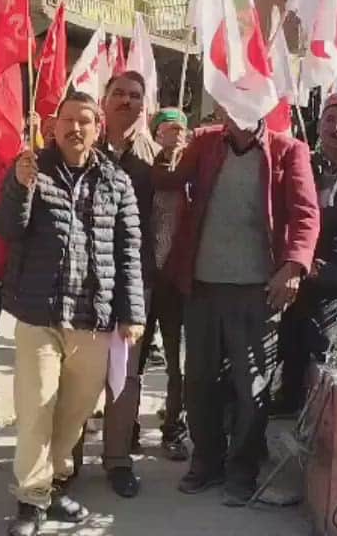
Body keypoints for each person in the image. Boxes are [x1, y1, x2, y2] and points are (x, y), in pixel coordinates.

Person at [0, 92, 146, 536]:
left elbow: (128, 251)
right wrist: (18, 187)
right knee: (37, 406)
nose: (75, 128)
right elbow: (8, 228)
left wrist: (131, 312)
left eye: (85, 120)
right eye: (68, 119)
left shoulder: (116, 181)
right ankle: (31, 500)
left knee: (75, 411)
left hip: (93, 317)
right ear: (53, 124)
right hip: (40, 312)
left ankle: (53, 482)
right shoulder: (31, 169)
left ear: (98, 127)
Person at [157, 104, 318, 506]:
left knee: (252, 388)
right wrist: (168, 149)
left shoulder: (288, 149)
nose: (236, 111)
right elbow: (172, 179)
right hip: (203, 287)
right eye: (229, 102)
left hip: (257, 292)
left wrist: (294, 266)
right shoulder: (206, 142)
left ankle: (241, 469)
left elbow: (305, 214)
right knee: (199, 382)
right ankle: (206, 462)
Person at [274, 93, 337, 415]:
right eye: (330, 120)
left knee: (323, 345)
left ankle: (318, 415)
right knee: (284, 341)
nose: (336, 128)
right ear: (319, 125)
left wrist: (334, 271)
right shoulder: (300, 163)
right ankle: (287, 401)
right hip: (296, 271)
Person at [89, 72, 160, 498]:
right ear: (104, 100)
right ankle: (66, 459)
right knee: (78, 372)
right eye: (119, 94)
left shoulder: (159, 158)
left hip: (135, 281)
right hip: (83, 278)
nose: (127, 102)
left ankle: (117, 460)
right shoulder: (82, 147)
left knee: (125, 375)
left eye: (136, 96)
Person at [145, 107, 191, 461]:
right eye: (166, 130)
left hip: (178, 284)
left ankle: (174, 426)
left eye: (180, 131)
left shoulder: (194, 174)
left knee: (178, 363)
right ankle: (125, 428)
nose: (173, 136)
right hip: (145, 281)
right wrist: (165, 157)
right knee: (134, 362)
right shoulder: (147, 170)